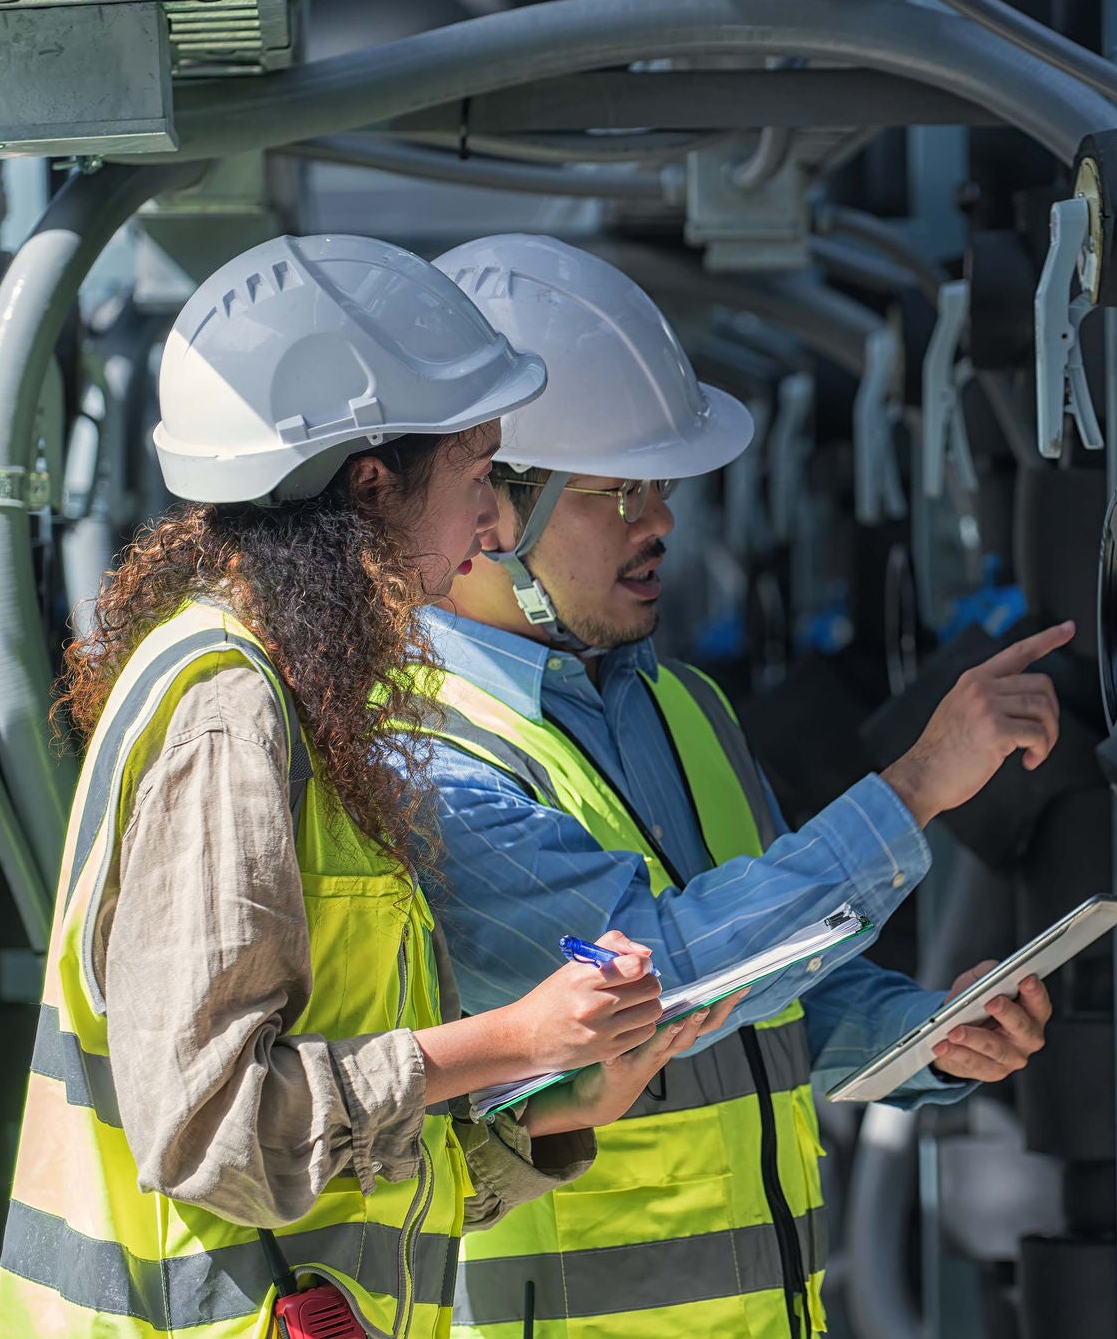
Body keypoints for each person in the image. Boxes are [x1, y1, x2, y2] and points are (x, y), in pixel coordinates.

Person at [0, 234, 742, 1339]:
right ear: (370, 484)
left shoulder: (299, 693)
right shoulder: (228, 707)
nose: (492, 528)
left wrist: (537, 1124)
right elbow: (214, 1133)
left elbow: (342, 1172)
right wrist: (517, 1039)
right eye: (479, 477)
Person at [415, 233, 1070, 1339]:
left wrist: (920, 1033)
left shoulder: (685, 707)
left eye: (659, 487)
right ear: (491, 519)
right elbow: (654, 983)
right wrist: (911, 787)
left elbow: (773, 995)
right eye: (616, 493)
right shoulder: (426, 751)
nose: (659, 521)